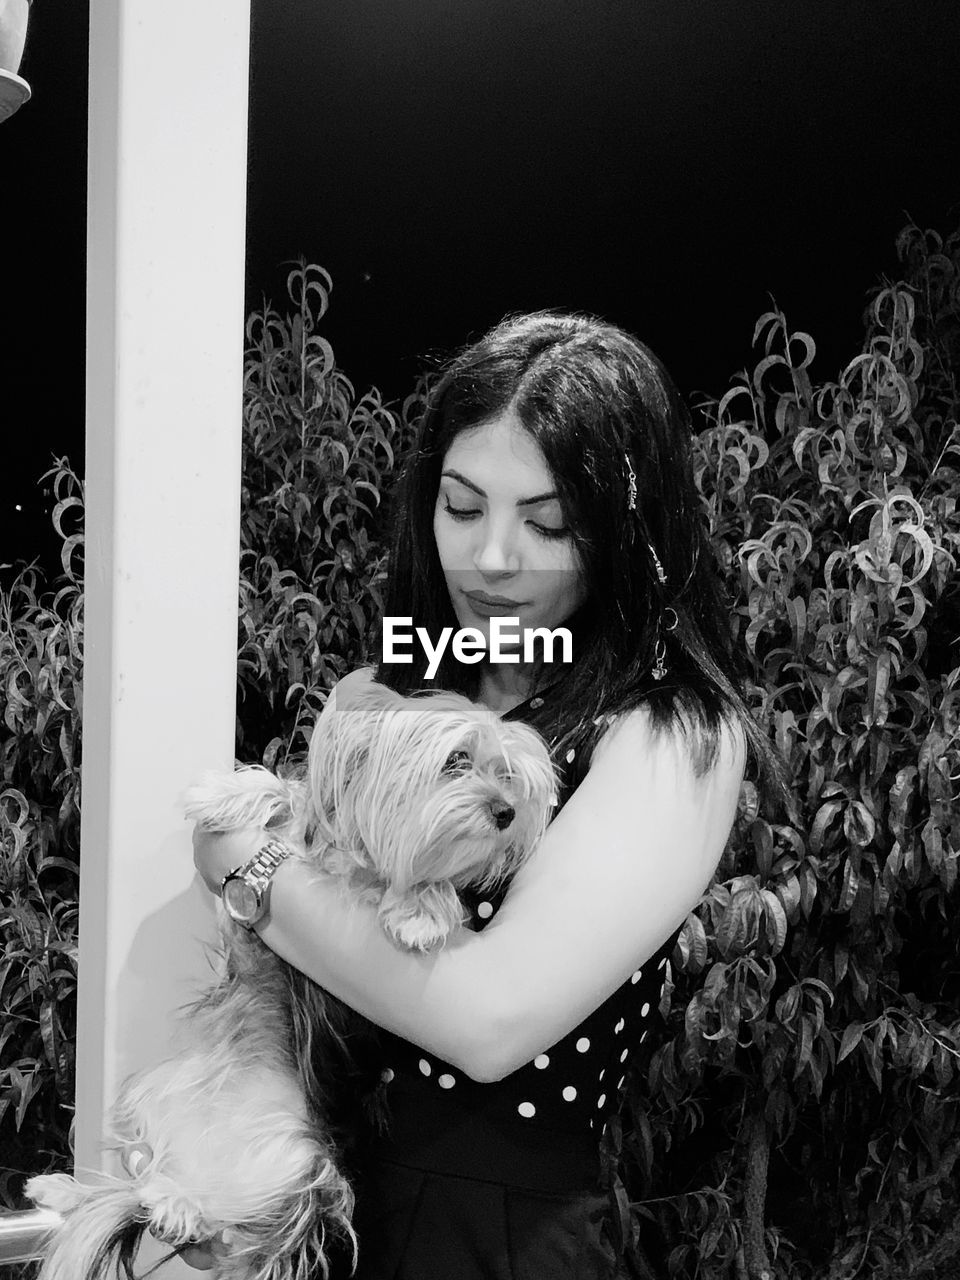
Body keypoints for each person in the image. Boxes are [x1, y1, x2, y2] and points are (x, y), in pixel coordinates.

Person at [189, 312, 783, 1278]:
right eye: (462, 509)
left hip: (494, 1230)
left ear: (625, 533)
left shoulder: (672, 730)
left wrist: (247, 869)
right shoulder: (414, 676)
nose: (491, 558)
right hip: (312, 1187)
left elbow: (490, 1019)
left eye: (547, 523)